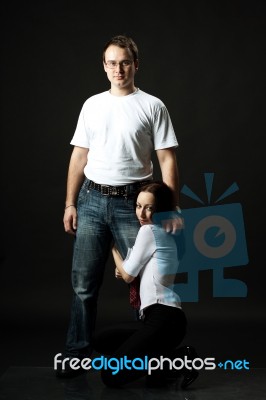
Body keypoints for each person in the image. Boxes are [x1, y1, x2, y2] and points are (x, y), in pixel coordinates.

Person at [56, 34, 181, 379]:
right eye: (111, 62)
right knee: (83, 284)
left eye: (124, 62)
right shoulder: (92, 105)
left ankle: (155, 358)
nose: (118, 69)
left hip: (135, 202)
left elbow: (166, 159)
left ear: (135, 64)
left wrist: (170, 208)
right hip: (92, 199)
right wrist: (70, 203)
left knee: (144, 285)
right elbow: (79, 155)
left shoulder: (152, 105)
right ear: (104, 66)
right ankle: (76, 352)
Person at [93, 181, 198, 388]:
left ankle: (182, 358)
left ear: (161, 210)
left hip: (163, 317)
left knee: (110, 376)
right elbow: (130, 270)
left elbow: (128, 275)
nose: (142, 214)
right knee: (100, 339)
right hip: (160, 320)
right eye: (139, 206)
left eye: (150, 208)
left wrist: (112, 248)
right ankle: (162, 365)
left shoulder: (150, 231)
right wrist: (125, 269)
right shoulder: (167, 234)